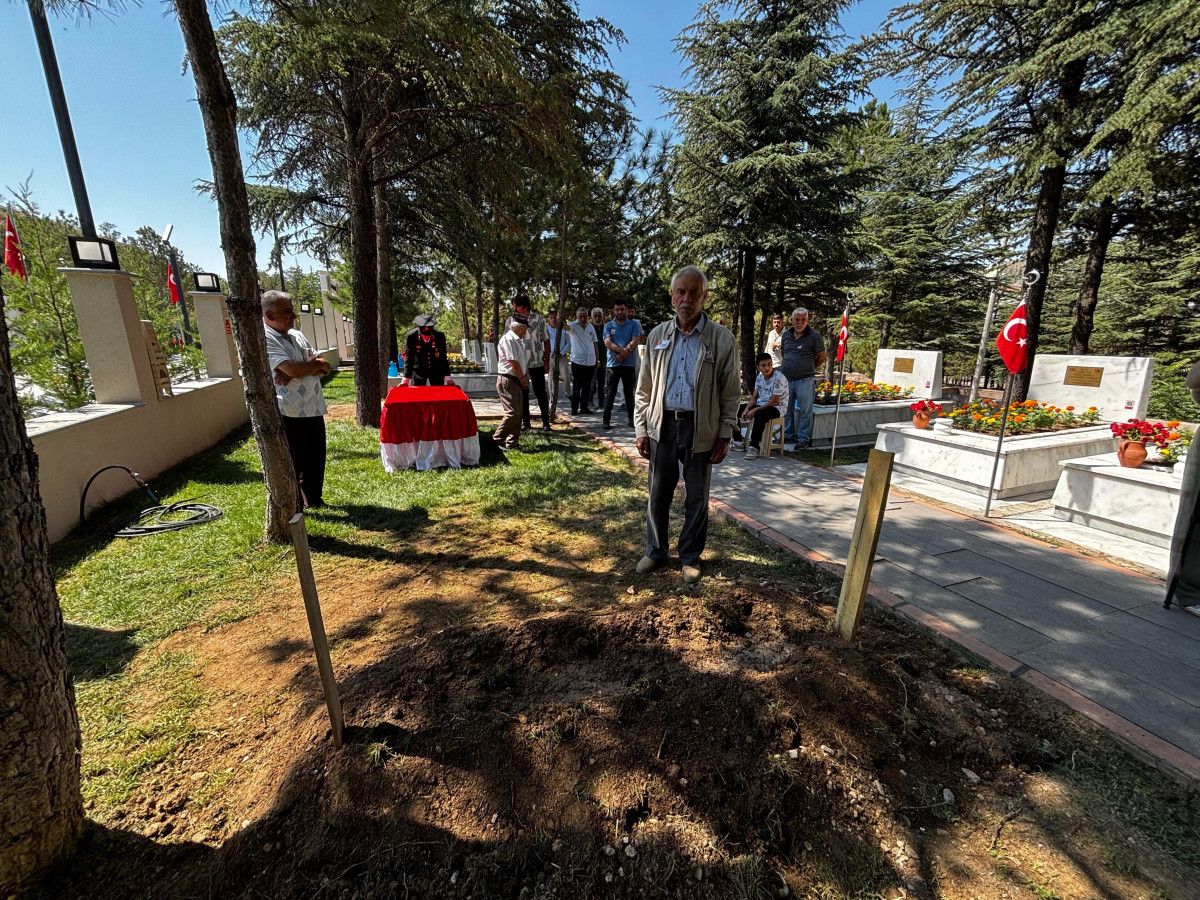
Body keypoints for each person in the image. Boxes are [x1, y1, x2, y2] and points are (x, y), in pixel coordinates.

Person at [634, 266, 739, 584]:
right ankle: (656, 551)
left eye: (694, 292)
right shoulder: (657, 336)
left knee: (697, 496)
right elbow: (644, 388)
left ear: (704, 296)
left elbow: (730, 391)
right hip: (662, 425)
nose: (687, 298)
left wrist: (724, 432)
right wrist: (641, 428)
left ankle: (690, 557)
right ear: (672, 295)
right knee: (657, 492)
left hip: (700, 427)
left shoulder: (720, 339)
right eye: (681, 291)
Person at [262, 290, 331, 508]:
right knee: (294, 459)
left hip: (313, 406)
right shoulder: (265, 337)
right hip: (289, 411)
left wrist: (306, 367)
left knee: (316, 456)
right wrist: (302, 367)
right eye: (287, 311)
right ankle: (295, 504)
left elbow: (324, 365)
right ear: (270, 315)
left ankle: (313, 498)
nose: (292, 316)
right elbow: (291, 368)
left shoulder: (297, 335)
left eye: (292, 310)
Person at [780, 306, 826, 451]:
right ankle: (788, 434)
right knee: (787, 409)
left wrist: (809, 368)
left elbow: (821, 357)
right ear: (792, 320)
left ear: (807, 320)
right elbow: (783, 353)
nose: (799, 323)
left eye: (803, 320)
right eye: (796, 319)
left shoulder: (814, 336)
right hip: (787, 379)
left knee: (806, 410)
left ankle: (803, 438)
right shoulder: (786, 335)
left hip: (805, 380)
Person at [506, 294, 551, 431]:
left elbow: (546, 341)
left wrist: (546, 361)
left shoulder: (539, 319)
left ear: (525, 306)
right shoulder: (511, 320)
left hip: (536, 361)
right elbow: (507, 341)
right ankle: (526, 422)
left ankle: (546, 422)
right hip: (520, 364)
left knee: (540, 392)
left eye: (516, 305)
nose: (514, 308)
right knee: (523, 393)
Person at [733, 353, 789, 460]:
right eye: (763, 365)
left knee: (759, 414)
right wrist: (746, 409)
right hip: (762, 404)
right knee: (734, 410)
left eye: (769, 364)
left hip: (777, 407)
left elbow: (774, 401)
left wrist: (754, 410)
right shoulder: (759, 377)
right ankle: (738, 441)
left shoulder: (779, 378)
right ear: (758, 367)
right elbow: (754, 397)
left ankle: (754, 447)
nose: (767, 368)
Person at [602, 300, 643, 430]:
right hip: (613, 364)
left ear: (626, 310)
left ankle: (632, 420)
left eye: (622, 309)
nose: (620, 312)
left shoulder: (634, 324)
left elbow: (636, 340)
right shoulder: (608, 325)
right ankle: (606, 421)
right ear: (614, 311)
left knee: (629, 393)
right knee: (610, 393)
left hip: (629, 364)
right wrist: (620, 352)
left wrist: (624, 353)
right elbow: (607, 342)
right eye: (617, 309)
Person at [494, 315, 530, 450]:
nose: (526, 332)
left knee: (518, 412)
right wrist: (522, 378)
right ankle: (497, 440)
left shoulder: (517, 340)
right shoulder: (508, 339)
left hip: (516, 379)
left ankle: (512, 442)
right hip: (508, 379)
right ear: (519, 328)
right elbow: (513, 362)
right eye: (525, 329)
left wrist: (523, 377)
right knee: (513, 412)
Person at [565, 306, 598, 414]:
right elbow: (564, 327)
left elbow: (595, 343)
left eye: (585, 317)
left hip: (590, 361)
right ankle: (574, 408)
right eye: (581, 317)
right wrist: (559, 319)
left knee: (587, 387)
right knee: (577, 386)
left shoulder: (590, 327)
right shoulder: (572, 326)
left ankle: (584, 408)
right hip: (578, 362)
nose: (583, 319)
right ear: (577, 317)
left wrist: (597, 359)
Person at [404, 314, 450, 386]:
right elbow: (409, 357)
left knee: (438, 394)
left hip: (437, 371)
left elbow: (443, 356)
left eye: (428, 335)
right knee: (418, 395)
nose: (426, 337)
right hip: (418, 371)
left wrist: (447, 376)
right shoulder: (411, 336)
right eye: (424, 335)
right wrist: (406, 378)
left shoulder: (440, 336)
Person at [546, 310, 571, 399]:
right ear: (549, 319)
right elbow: (545, 343)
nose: (553, 320)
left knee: (566, 375)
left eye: (555, 318)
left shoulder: (564, 328)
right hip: (552, 356)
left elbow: (569, 342)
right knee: (551, 376)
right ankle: (552, 397)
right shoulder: (547, 329)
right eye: (551, 318)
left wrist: (562, 352)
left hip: (562, 356)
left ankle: (568, 393)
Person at [590, 306, 607, 410]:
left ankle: (601, 403)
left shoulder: (606, 327)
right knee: (592, 382)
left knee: (601, 382)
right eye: (595, 316)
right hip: (592, 359)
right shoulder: (590, 328)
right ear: (592, 318)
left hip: (604, 358)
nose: (597, 318)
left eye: (599, 316)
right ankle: (589, 401)